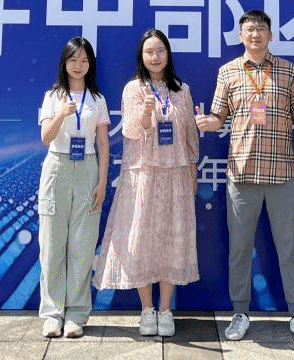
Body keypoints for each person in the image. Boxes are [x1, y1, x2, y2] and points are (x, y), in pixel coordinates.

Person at [194, 10, 294, 344]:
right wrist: (208, 123)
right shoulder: (228, 71)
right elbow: (219, 116)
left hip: (282, 173)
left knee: (289, 247)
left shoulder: (288, 70)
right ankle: (240, 313)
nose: (255, 34)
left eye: (261, 29)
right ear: (240, 35)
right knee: (240, 248)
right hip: (242, 173)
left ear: (270, 35)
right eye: (249, 29)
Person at [94, 30, 200, 337]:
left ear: (168, 54)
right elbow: (129, 131)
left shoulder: (182, 90)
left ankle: (165, 310)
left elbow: (190, 134)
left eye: (160, 51)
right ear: (141, 56)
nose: (155, 57)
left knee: (171, 240)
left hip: (175, 173)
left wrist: (192, 170)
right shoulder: (133, 88)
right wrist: (145, 114)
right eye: (149, 52)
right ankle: (147, 309)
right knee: (140, 240)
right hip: (142, 174)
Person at [37, 36, 111, 339]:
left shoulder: (97, 99)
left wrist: (102, 181)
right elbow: (45, 137)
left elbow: (103, 144)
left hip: (88, 168)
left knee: (82, 245)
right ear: (64, 63)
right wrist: (61, 114)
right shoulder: (53, 96)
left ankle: (77, 314)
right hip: (58, 166)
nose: (78, 65)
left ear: (90, 64)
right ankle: (52, 314)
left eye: (84, 60)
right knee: (52, 244)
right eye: (73, 60)